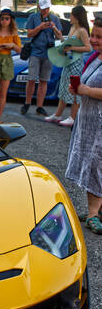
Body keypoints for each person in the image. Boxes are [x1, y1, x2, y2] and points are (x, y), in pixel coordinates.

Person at [66, 17, 102, 234]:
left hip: (99, 124)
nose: (95, 40)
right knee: (92, 165)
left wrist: (87, 91)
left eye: (99, 37)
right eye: (94, 36)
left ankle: (92, 214)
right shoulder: (96, 58)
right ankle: (95, 210)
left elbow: (92, 89)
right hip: (90, 122)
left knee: (96, 167)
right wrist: (78, 89)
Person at [46, 6, 91, 127]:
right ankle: (58, 114)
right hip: (68, 61)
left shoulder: (82, 30)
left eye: (71, 15)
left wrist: (72, 48)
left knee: (74, 88)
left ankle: (73, 116)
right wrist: (57, 32)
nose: (69, 17)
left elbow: (88, 47)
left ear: (76, 17)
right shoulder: (72, 28)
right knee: (64, 87)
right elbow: (66, 42)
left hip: (76, 63)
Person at [22, 0, 62, 116]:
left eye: (47, 8)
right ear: (38, 7)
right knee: (31, 79)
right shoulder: (33, 17)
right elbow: (29, 34)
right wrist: (40, 27)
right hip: (35, 52)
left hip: (48, 52)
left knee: (44, 80)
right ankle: (27, 103)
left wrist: (53, 26)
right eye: (43, 8)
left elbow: (60, 36)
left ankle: (40, 106)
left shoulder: (54, 18)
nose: (45, 11)